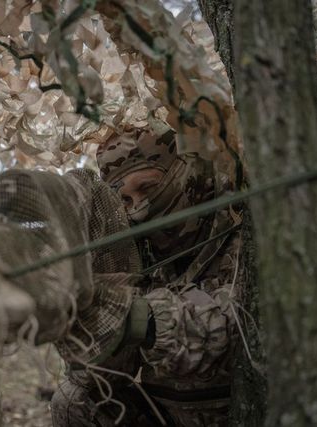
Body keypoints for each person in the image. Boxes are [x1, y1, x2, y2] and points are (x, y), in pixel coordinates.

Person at [50, 128, 244, 427]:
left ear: (183, 171)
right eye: (125, 200)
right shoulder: (135, 252)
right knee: (74, 401)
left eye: (148, 188)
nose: (138, 209)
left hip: (244, 409)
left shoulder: (240, 224)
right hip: (167, 414)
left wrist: (138, 318)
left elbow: (239, 330)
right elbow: (106, 378)